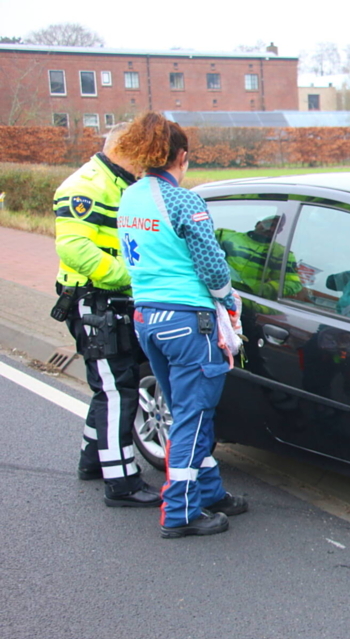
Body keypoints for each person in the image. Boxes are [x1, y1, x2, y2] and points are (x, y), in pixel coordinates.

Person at [114, 111, 248, 539]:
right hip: (189, 321)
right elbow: (211, 267)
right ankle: (180, 511)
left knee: (187, 409)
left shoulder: (131, 196)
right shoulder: (184, 201)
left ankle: (210, 491)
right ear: (182, 156)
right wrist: (229, 300)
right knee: (193, 414)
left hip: (148, 317)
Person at [51, 123, 162, 507]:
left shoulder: (120, 185)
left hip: (111, 301)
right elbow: (74, 248)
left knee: (112, 381)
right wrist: (130, 277)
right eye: (143, 150)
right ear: (123, 147)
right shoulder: (84, 186)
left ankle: (92, 460)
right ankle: (122, 482)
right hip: (95, 300)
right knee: (117, 387)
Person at [215, 214, 304, 299]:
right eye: (269, 224)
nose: (271, 229)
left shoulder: (281, 254)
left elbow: (293, 283)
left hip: (249, 301)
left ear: (280, 232)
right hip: (214, 291)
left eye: (277, 227)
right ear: (257, 224)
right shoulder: (224, 236)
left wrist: (260, 289)